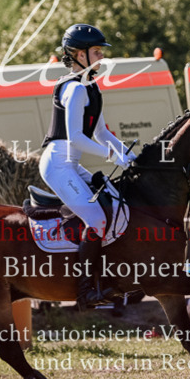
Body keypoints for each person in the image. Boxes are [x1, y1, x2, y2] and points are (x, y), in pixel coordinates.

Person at [40, 24, 136, 310]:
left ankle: (105, 277)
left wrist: (130, 156)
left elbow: (102, 133)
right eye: (96, 51)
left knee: (113, 204)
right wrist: (112, 157)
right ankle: (85, 292)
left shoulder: (91, 87)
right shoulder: (75, 89)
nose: (101, 57)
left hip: (70, 163)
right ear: (78, 55)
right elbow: (76, 138)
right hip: (57, 164)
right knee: (96, 220)